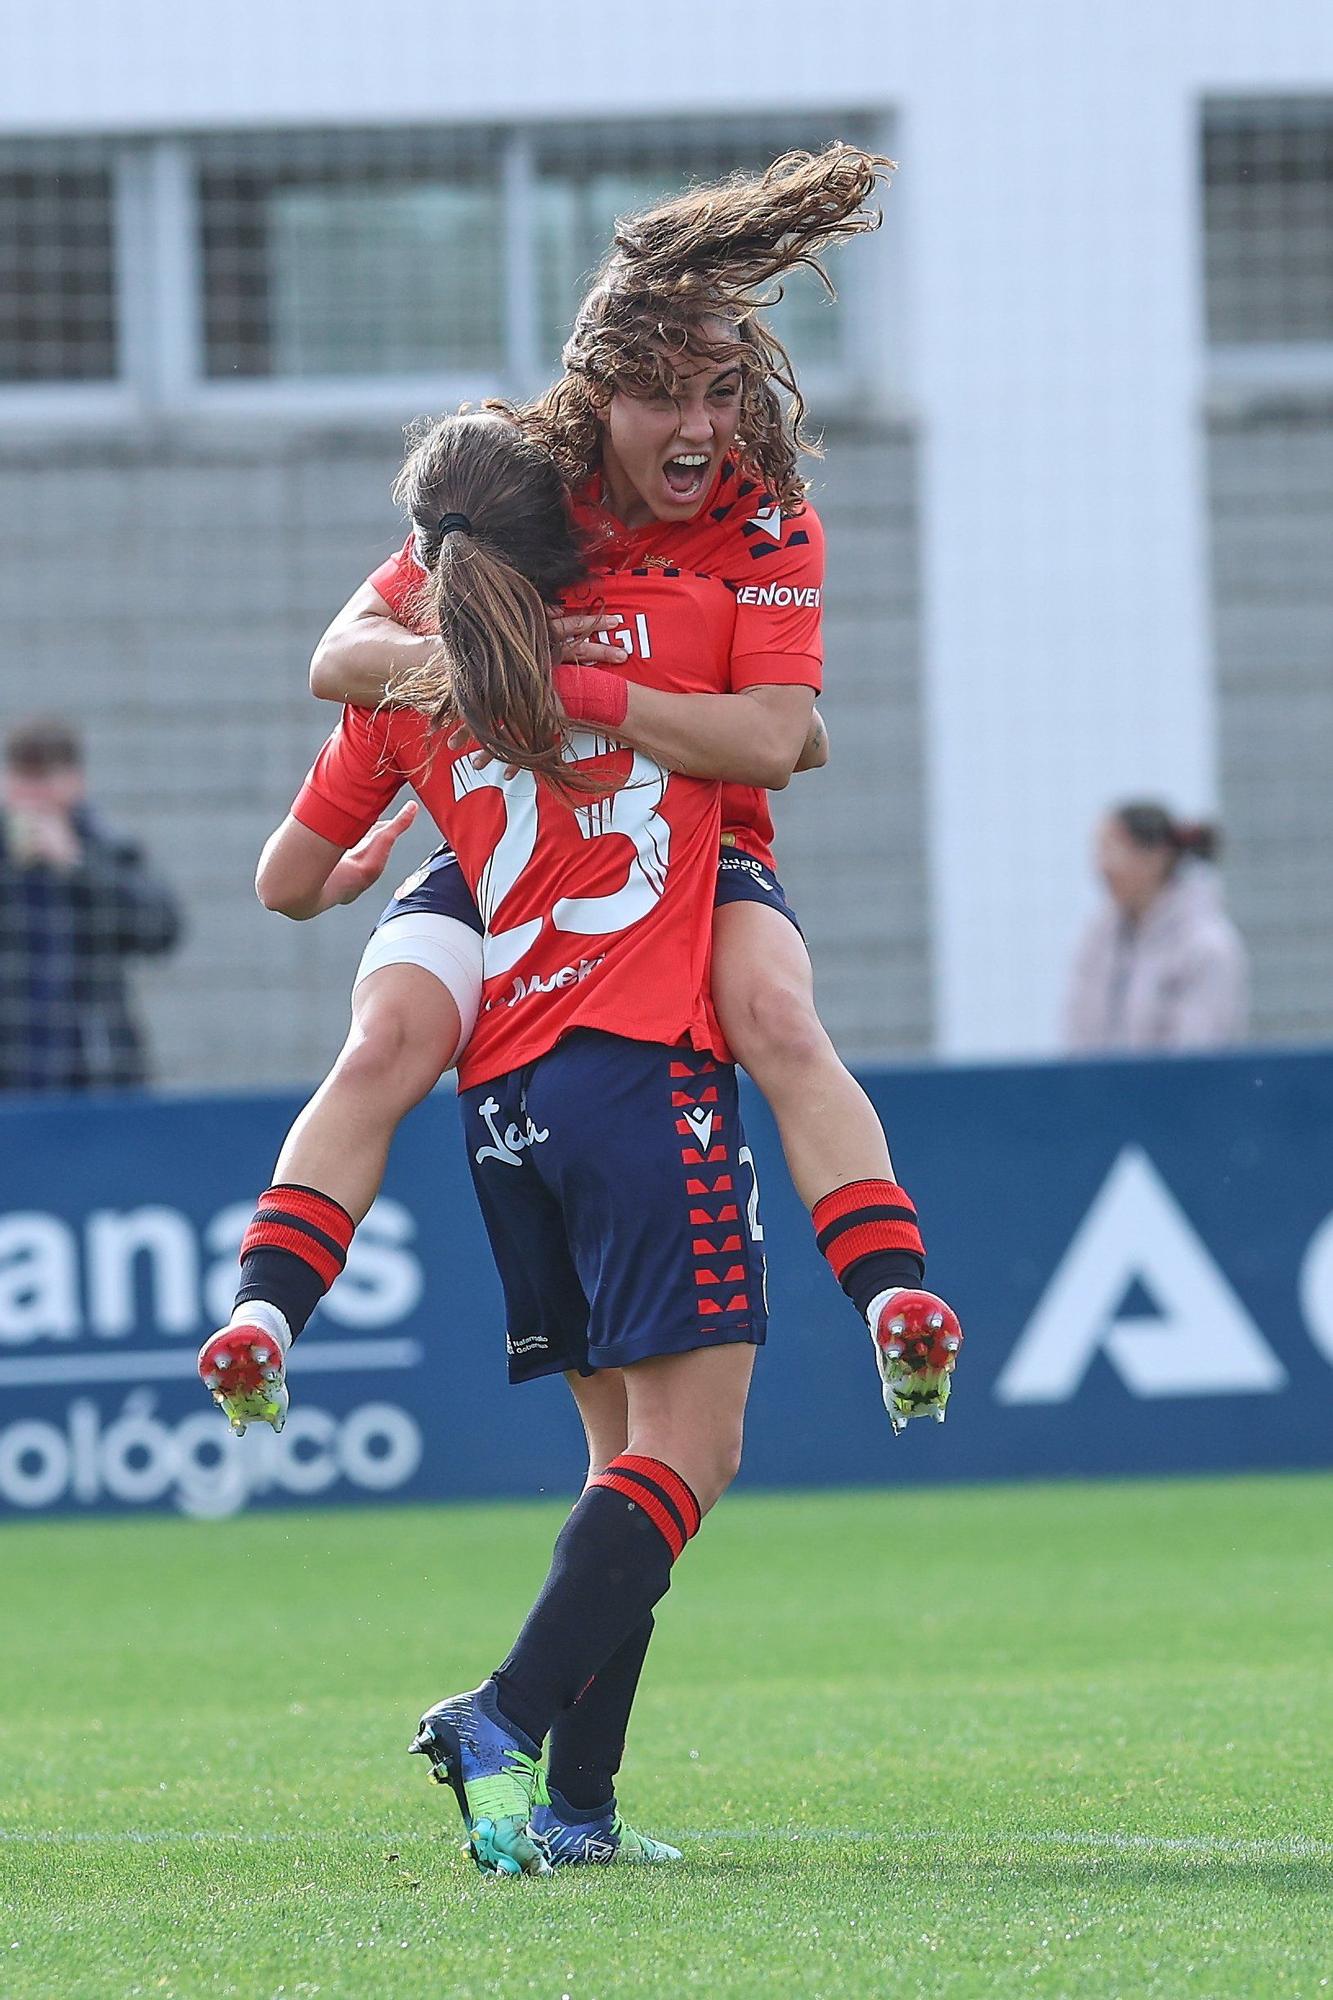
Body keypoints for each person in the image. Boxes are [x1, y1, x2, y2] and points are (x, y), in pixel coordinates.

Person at [202, 410, 961, 1876]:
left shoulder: (422, 683)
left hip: (506, 1089)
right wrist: (627, 688)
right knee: (698, 1443)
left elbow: (287, 873)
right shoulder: (667, 625)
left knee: (622, 1464)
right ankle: (507, 1713)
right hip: (637, 1058)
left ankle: (579, 1806)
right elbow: (789, 733)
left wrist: (393, 823)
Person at [210, 145, 948, 1442]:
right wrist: (499, 666)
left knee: (775, 1011)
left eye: (725, 391)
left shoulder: (766, 521)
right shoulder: (512, 501)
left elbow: (782, 740)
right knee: (383, 1043)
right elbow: (342, 658)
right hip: (503, 857)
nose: (707, 426)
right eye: (670, 396)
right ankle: (263, 1313)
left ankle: (894, 1301)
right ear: (598, 394)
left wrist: (592, 698)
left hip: (685, 842)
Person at [0, 717, 181, 1092]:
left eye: (45, 781)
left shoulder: (106, 847)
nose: (34, 797)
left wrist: (76, 865)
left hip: (91, 1065)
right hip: (12, 1062)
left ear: (74, 782)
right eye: (24, 780)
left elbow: (161, 929)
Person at [1063, 800, 1250, 1052]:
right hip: (1101, 1090)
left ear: (1155, 856)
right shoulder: (1099, 940)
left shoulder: (1205, 945)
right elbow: (1078, 1035)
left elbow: (1198, 1054)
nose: (1101, 866)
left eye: (1111, 849)